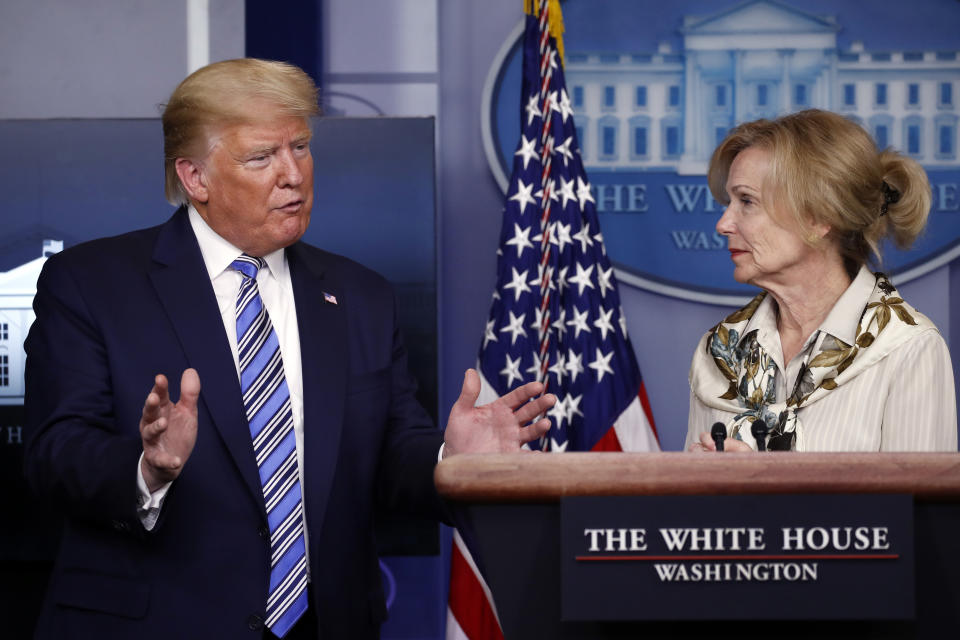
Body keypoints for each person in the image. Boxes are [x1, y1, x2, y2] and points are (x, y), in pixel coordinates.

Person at [23, 58, 554, 639]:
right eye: (262, 157)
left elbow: (389, 455)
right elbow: (55, 453)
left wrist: (452, 462)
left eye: (300, 148)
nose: (294, 174)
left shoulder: (361, 295)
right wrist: (147, 467)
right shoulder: (91, 283)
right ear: (195, 177)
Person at [686, 109, 957, 453]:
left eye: (747, 201)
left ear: (818, 218)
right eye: (729, 202)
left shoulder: (906, 348)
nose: (723, 224)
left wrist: (766, 489)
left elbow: (914, 507)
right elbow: (687, 500)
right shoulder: (718, 350)